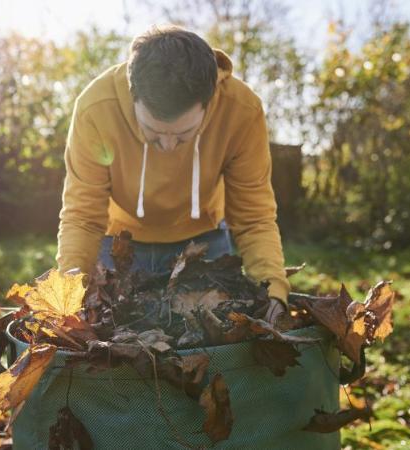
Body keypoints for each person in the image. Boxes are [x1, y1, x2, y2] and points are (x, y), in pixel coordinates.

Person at [56, 26, 290, 324]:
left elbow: (254, 217)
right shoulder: (95, 108)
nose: (167, 146)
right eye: (153, 132)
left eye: (183, 135)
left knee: (211, 336)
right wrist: (68, 292)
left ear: (209, 101)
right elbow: (83, 216)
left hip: (203, 242)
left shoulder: (242, 110)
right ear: (133, 95)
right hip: (119, 245)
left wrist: (272, 289)